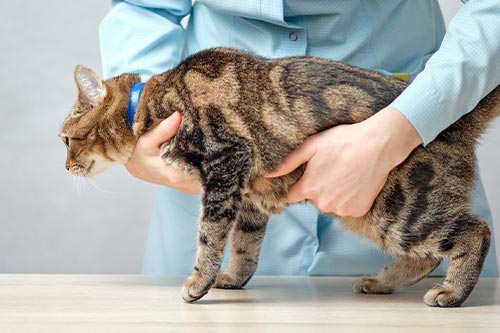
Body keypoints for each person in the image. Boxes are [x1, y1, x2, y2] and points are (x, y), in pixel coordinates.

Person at [100, 0, 499, 276]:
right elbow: (144, 6)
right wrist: (142, 123)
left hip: (403, 160)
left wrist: (400, 128)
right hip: (206, 164)